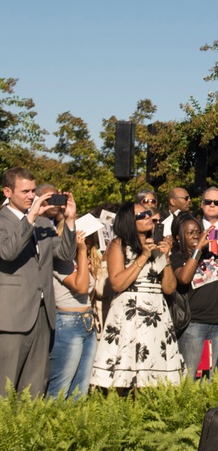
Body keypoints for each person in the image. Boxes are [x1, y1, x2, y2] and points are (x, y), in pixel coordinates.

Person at [0, 169, 78, 397]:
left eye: (33, 191)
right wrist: (30, 218)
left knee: (34, 388)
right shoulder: (3, 221)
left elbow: (64, 254)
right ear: (7, 191)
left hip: (43, 315)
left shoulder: (44, 223)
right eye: (25, 191)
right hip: (12, 318)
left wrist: (70, 221)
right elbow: (8, 252)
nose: (31, 196)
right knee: (5, 387)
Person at [91, 203, 184, 390]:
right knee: (126, 376)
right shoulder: (119, 244)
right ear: (129, 221)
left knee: (155, 378)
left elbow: (169, 288)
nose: (149, 217)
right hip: (129, 314)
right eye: (142, 215)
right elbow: (117, 283)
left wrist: (165, 259)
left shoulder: (157, 244)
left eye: (149, 213)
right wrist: (143, 256)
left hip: (156, 314)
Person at [171, 212, 218, 379]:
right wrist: (198, 249)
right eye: (190, 232)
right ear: (179, 237)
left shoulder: (211, 257)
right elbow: (184, 278)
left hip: (216, 323)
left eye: (198, 231)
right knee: (190, 376)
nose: (196, 236)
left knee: (208, 376)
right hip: (194, 324)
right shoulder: (176, 259)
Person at [48, 226, 101, 399]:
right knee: (60, 387)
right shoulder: (60, 259)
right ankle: (51, 424)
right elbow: (82, 287)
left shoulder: (82, 257)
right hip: (67, 322)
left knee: (80, 389)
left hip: (87, 322)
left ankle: (73, 425)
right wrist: (82, 251)